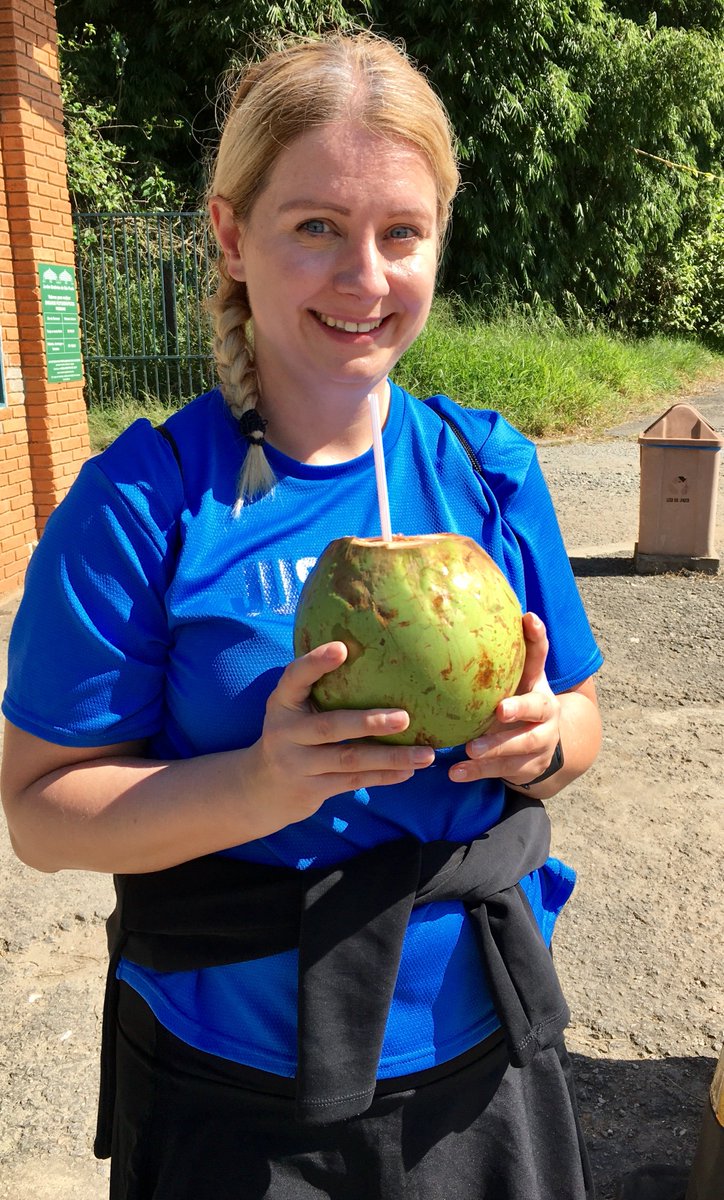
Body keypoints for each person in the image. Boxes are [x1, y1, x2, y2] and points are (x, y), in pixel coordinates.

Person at [1, 30, 604, 1200]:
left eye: (400, 234)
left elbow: (579, 719)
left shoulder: (485, 469)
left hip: (477, 1061)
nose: (364, 279)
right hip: (233, 1087)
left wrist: (543, 741)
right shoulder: (147, 497)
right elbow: (38, 812)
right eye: (316, 226)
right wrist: (259, 783)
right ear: (231, 235)